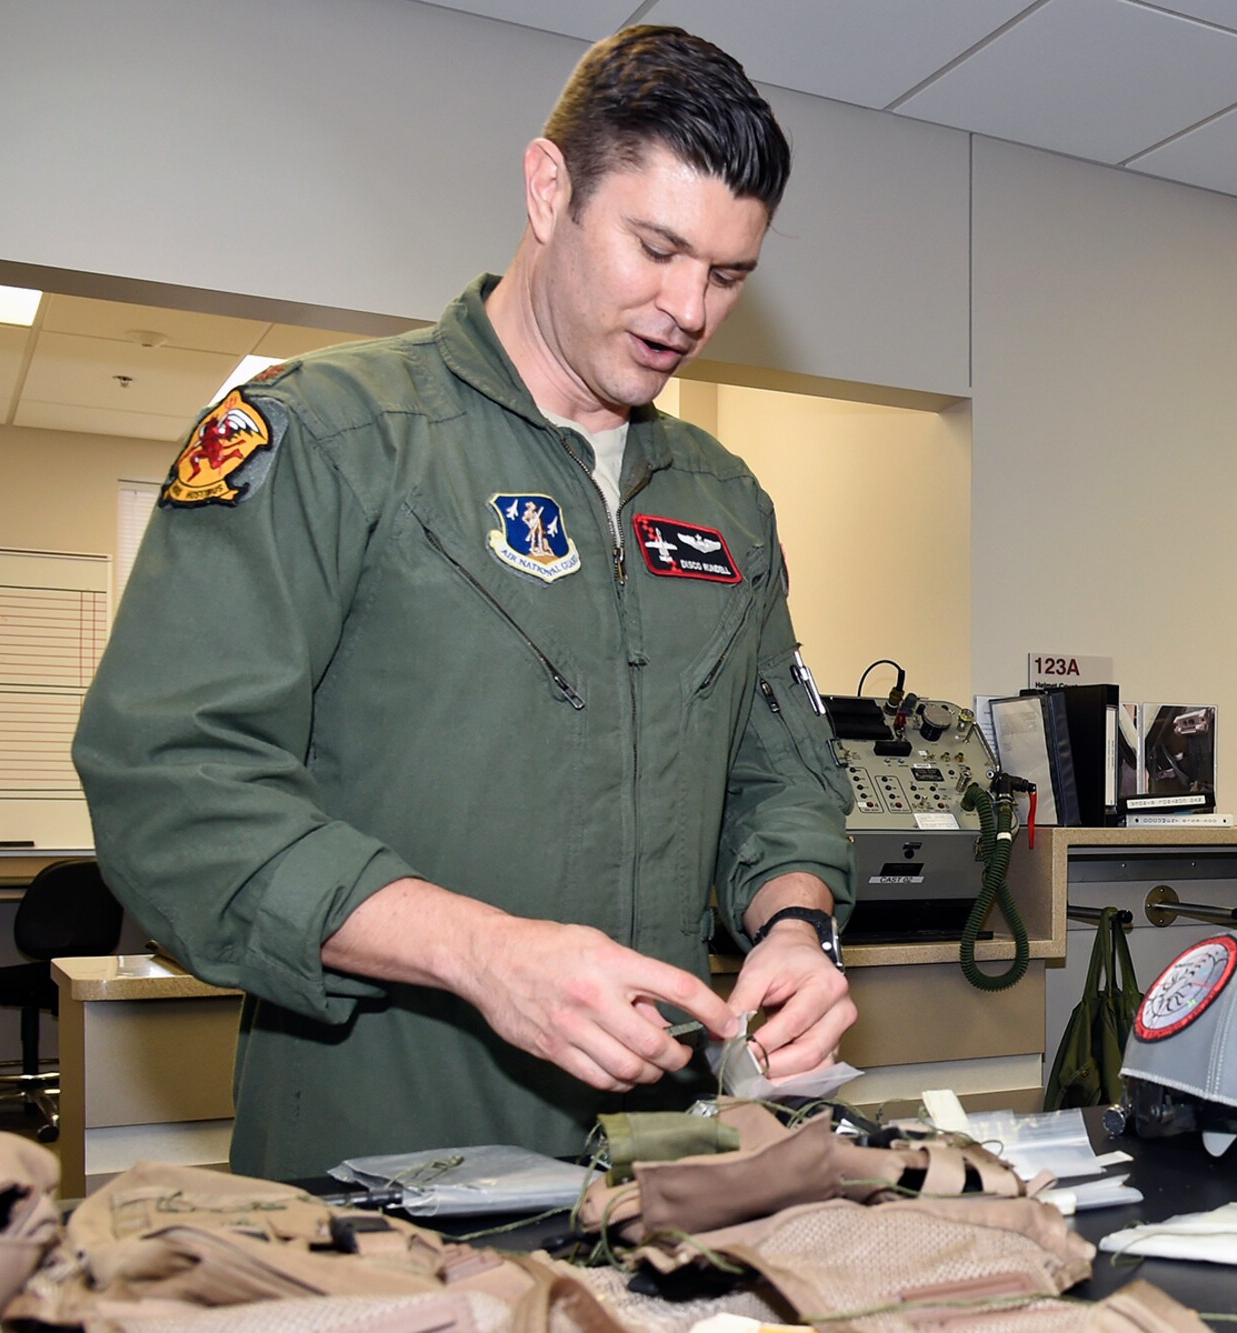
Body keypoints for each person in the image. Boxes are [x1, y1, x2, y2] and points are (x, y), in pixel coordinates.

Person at [72, 26, 856, 1180]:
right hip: (382, 1155)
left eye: (727, 275)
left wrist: (794, 925)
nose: (687, 309)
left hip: (664, 1155)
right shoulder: (329, 437)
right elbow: (170, 790)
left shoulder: (723, 501)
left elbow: (782, 779)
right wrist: (482, 954)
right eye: (655, 248)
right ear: (549, 190)